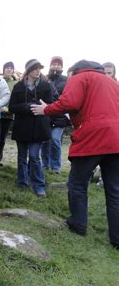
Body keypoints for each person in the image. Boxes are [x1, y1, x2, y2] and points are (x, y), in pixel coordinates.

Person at [31, 60, 119, 249]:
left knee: (77, 184)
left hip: (93, 137)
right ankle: (117, 238)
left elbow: (69, 102)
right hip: (116, 140)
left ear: (74, 71)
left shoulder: (81, 77)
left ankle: (78, 224)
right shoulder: (112, 82)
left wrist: (45, 109)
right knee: (114, 190)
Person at [8, 59, 53, 198]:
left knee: (34, 156)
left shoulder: (46, 86)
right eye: (35, 68)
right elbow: (11, 107)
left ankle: (39, 186)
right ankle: (22, 182)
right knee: (22, 157)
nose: (38, 71)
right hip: (22, 126)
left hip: (38, 127)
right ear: (28, 70)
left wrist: (41, 107)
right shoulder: (18, 87)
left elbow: (50, 106)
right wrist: (25, 107)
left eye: (39, 68)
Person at [41, 56, 70, 174]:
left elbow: (68, 96)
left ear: (62, 67)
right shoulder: (44, 79)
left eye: (59, 64)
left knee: (55, 139)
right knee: (45, 140)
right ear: (50, 65)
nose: (56, 66)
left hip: (60, 115)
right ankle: (45, 164)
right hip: (46, 114)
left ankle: (56, 166)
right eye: (54, 64)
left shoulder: (66, 80)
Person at [0, 61, 18, 166]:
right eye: (7, 67)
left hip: (8, 114)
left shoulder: (16, 83)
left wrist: (8, 108)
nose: (9, 69)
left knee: (2, 137)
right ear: (3, 69)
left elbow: (15, 98)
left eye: (11, 68)